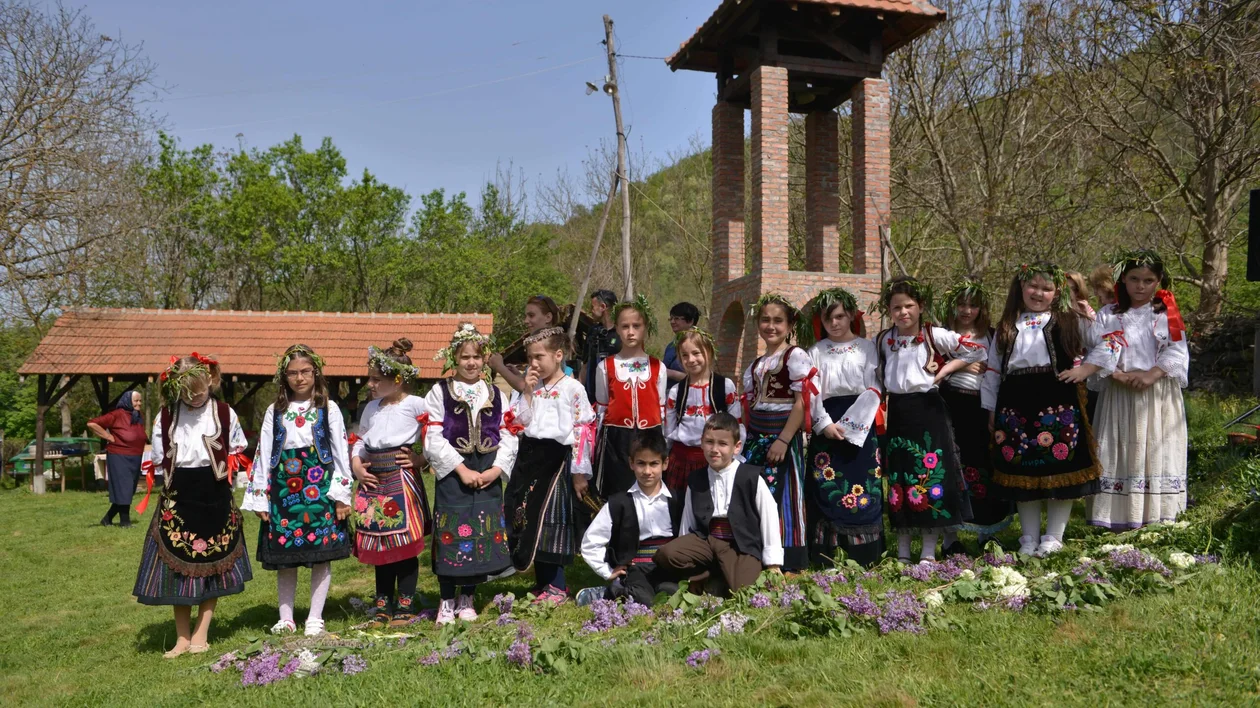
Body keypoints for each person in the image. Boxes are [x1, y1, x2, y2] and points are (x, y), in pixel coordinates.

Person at [981, 263, 1121, 556]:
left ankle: (1053, 537)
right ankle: (1028, 538)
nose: (1039, 293)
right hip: (1014, 402)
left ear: (1057, 291)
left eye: (1047, 288)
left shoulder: (1071, 321)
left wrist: (1085, 369)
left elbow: (1109, 342)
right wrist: (991, 407)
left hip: (1056, 399)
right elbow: (993, 370)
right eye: (1033, 286)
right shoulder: (1008, 324)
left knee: (1060, 466)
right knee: (1022, 472)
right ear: (1020, 287)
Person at [132, 353, 251, 658]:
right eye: (188, 392)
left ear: (211, 381)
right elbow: (160, 459)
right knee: (178, 567)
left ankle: (201, 633)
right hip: (179, 497)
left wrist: (230, 473)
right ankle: (182, 637)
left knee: (214, 564)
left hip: (214, 495)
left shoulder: (224, 413)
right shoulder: (166, 417)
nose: (195, 396)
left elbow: (236, 450)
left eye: (200, 389)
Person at [240, 345, 352, 637]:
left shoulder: (328, 408)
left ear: (315, 372)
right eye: (293, 373)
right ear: (284, 377)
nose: (299, 378)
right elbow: (264, 454)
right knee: (284, 554)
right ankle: (286, 617)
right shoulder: (274, 411)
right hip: (283, 487)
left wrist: (341, 495)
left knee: (322, 551)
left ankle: (315, 617)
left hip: (320, 486)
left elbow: (340, 450)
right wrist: (259, 496)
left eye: (305, 371)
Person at [876, 277, 987, 564]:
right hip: (898, 413)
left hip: (928, 412)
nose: (903, 313)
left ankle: (928, 551)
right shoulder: (884, 340)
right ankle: (902, 550)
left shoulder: (934, 334)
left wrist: (944, 371)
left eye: (909, 306)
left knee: (929, 478)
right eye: (896, 307)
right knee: (901, 480)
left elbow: (976, 350)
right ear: (889, 310)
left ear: (921, 306)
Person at [424, 324, 518, 624]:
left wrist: (497, 469)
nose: (471, 363)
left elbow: (509, 432)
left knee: (480, 534)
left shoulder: (495, 393)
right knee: (452, 532)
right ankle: (446, 599)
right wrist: (461, 469)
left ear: (484, 359)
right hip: (455, 473)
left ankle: (468, 597)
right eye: (465, 357)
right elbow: (432, 436)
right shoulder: (440, 392)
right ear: (454, 358)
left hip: (488, 469)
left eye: (476, 357)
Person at [1089, 250, 1189, 530]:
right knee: (1122, 449)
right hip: (1119, 392)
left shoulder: (1165, 312)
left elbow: (1177, 349)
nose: (1140, 286)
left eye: (1148, 280)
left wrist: (1152, 374)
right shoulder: (1108, 314)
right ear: (1123, 279)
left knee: (1154, 448)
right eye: (1134, 279)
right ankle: (1117, 517)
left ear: (1158, 281)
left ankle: (1158, 517)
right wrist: (1117, 374)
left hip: (1157, 393)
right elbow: (1098, 350)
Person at [504, 327, 597, 605]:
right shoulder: (531, 387)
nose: (533, 363)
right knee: (531, 520)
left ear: (558, 355)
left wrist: (580, 472)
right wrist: (528, 392)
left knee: (553, 521)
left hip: (557, 461)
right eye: (530, 358)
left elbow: (583, 432)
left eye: (539, 357)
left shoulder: (572, 388)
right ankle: (541, 582)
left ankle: (557, 585)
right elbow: (519, 423)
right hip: (530, 459)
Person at [800, 288, 885, 567]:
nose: (834, 323)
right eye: (828, 319)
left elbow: (875, 387)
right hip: (827, 426)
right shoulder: (815, 351)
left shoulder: (867, 347)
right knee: (827, 485)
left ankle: (865, 555)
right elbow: (811, 391)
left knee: (864, 484)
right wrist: (824, 424)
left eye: (839, 316)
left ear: (850, 315)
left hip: (861, 424)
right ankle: (826, 555)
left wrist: (854, 424)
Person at [654, 413, 782, 595]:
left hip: (740, 545)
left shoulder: (750, 477)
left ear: (737, 447)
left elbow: (769, 517)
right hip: (707, 541)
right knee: (668, 553)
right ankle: (703, 575)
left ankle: (720, 579)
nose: (714, 449)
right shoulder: (696, 479)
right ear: (701, 442)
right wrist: (688, 569)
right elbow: (688, 521)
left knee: (745, 592)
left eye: (722, 444)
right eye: (709, 442)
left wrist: (773, 563)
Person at [350, 339, 431, 627]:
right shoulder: (371, 407)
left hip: (400, 478)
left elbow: (436, 433)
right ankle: (383, 605)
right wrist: (357, 465)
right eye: (370, 378)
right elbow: (361, 441)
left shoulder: (417, 405)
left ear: (397, 380)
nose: (369, 384)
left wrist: (423, 460)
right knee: (380, 546)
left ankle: (405, 606)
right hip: (373, 482)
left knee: (404, 544)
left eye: (376, 379)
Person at [741, 293, 814, 572]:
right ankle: (761, 557)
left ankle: (791, 561)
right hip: (756, 437)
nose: (771, 326)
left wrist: (784, 439)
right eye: (765, 320)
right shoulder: (758, 363)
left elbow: (801, 402)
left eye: (778, 321)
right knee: (760, 497)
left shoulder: (794, 356)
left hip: (782, 435)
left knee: (785, 496)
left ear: (790, 324)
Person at [939, 277, 1010, 552]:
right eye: (962, 305)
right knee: (950, 468)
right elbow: (929, 368)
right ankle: (950, 539)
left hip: (980, 407)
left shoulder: (990, 335)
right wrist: (962, 367)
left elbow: (996, 371)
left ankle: (986, 533)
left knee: (981, 466)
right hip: (949, 405)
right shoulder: (941, 335)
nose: (967, 311)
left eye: (973, 306)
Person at [576, 430, 683, 606]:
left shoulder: (678, 500)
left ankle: (613, 593)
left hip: (668, 568)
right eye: (641, 463)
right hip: (636, 569)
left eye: (654, 464)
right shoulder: (619, 503)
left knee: (673, 596)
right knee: (643, 602)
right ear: (631, 463)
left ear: (665, 464)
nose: (647, 471)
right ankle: (614, 590)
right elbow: (590, 542)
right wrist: (607, 571)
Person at [593, 296, 668, 501]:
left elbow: (661, 407)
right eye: (625, 326)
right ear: (616, 328)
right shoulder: (605, 367)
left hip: (650, 436)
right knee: (618, 494)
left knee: (649, 490)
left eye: (637, 325)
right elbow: (602, 407)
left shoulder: (657, 367)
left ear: (645, 328)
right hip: (616, 440)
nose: (631, 331)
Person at [663, 327, 743, 497]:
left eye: (696, 353)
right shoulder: (676, 392)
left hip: (714, 460)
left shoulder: (724, 387)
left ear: (709, 352)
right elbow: (668, 431)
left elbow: (737, 426)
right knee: (678, 509)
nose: (691, 359)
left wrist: (734, 459)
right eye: (685, 355)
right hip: (681, 459)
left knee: (710, 510)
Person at [88, 390, 147, 528]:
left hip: (135, 456)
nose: (139, 403)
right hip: (119, 456)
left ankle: (107, 519)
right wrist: (108, 437)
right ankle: (125, 522)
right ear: (128, 401)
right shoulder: (117, 414)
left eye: (140, 401)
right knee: (124, 488)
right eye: (136, 401)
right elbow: (92, 423)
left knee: (128, 489)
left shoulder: (137, 415)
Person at [490, 295, 572, 393]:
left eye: (531, 315)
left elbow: (525, 387)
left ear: (548, 317)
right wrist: (519, 375)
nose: (526, 321)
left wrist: (499, 367)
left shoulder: (552, 346)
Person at [580, 289, 622, 403]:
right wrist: (578, 392)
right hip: (592, 398)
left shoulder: (622, 332)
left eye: (592, 307)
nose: (590, 311)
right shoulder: (593, 331)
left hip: (617, 398)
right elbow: (585, 364)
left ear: (603, 307)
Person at [662, 302, 700, 390]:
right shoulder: (670, 346)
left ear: (690, 321)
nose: (672, 322)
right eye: (671, 318)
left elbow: (699, 379)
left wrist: (671, 373)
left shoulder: (699, 345)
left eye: (676, 318)